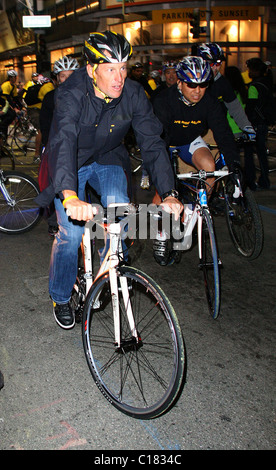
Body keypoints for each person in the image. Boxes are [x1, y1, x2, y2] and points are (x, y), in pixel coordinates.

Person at [35, 31, 182, 330]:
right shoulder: (70, 93)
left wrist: (168, 192)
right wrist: (70, 196)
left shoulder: (133, 93)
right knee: (71, 233)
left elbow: (152, 143)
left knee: (121, 217)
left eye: (124, 67)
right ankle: (61, 296)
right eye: (110, 68)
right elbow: (63, 141)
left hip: (109, 159)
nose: (119, 77)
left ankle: (105, 272)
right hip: (71, 164)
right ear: (91, 69)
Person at [152, 56, 241, 264]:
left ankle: (195, 210)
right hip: (164, 143)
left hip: (189, 141)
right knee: (163, 189)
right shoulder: (163, 100)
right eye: (192, 84)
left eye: (203, 85)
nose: (198, 90)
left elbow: (223, 133)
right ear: (180, 83)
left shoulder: (209, 101)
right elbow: (156, 140)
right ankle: (162, 233)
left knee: (210, 168)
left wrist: (235, 165)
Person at [39, 56, 80, 236]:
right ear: (57, 79)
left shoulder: (85, 95)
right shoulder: (50, 98)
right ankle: (54, 221)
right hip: (57, 146)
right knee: (53, 182)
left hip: (80, 147)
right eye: (63, 76)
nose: (67, 79)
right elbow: (45, 126)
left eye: (71, 75)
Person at [197, 43, 255, 141]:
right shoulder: (190, 81)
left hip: (214, 129)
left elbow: (235, 108)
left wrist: (247, 127)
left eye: (218, 64)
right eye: (211, 64)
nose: (215, 68)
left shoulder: (223, 83)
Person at [224, 66, 256, 190]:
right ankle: (249, 183)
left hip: (230, 130)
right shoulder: (244, 91)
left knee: (231, 162)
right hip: (242, 130)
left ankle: (232, 187)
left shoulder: (228, 94)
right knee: (247, 159)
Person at [245, 57, 275, 189]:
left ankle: (251, 180)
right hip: (264, 122)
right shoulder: (267, 83)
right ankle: (265, 179)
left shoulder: (254, 87)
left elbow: (250, 107)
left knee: (250, 153)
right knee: (262, 153)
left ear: (255, 71)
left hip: (255, 123)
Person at [23, 74, 55, 162]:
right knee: (41, 130)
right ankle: (37, 154)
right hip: (35, 110)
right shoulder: (49, 87)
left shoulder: (47, 86)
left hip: (37, 109)